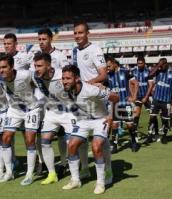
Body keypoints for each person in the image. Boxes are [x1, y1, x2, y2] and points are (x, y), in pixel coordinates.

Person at [61, 65, 119, 194]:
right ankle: (75, 180)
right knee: (71, 145)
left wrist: (111, 116)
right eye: (63, 78)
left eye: (68, 78)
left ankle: (100, 183)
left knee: (96, 146)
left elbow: (115, 98)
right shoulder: (65, 89)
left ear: (77, 78)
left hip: (100, 120)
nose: (65, 81)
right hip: (83, 120)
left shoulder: (92, 90)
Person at [72, 20, 111, 183]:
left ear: (88, 34)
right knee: (80, 137)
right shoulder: (74, 51)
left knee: (100, 140)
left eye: (81, 33)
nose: (77, 36)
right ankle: (85, 169)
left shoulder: (95, 49)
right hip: (80, 101)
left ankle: (107, 171)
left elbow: (103, 75)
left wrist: (86, 85)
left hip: (95, 98)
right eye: (75, 33)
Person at [0, 54, 41, 185]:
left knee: (29, 139)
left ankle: (29, 174)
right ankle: (9, 172)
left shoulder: (26, 75)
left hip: (31, 109)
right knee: (5, 138)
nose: (1, 70)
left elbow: (40, 84)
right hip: (15, 110)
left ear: (12, 67)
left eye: (4, 67)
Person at [35, 28, 69, 176]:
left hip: (61, 101)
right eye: (40, 39)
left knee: (62, 133)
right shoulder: (36, 56)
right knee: (39, 133)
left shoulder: (60, 56)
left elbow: (67, 76)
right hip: (42, 101)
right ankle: (42, 163)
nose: (42, 42)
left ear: (50, 39)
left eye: (44, 39)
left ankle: (64, 162)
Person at [106, 57, 139, 153]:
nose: (108, 68)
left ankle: (134, 142)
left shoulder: (125, 72)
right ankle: (114, 145)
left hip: (126, 104)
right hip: (115, 105)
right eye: (106, 67)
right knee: (114, 125)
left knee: (129, 125)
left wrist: (134, 97)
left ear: (114, 64)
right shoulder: (108, 75)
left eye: (109, 66)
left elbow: (135, 83)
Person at [146, 58, 172, 144]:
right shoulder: (158, 72)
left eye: (163, 64)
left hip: (166, 100)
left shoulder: (171, 73)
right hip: (156, 99)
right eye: (161, 64)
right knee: (152, 117)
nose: (162, 66)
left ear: (166, 63)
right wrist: (158, 65)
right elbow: (150, 74)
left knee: (165, 120)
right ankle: (150, 135)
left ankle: (164, 136)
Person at [131, 57, 153, 131]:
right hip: (138, 96)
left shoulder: (148, 71)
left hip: (147, 96)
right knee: (136, 114)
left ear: (144, 63)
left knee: (152, 114)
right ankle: (135, 132)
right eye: (138, 63)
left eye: (141, 63)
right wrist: (133, 95)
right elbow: (131, 84)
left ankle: (152, 131)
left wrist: (146, 97)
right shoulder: (133, 72)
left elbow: (150, 85)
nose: (139, 65)